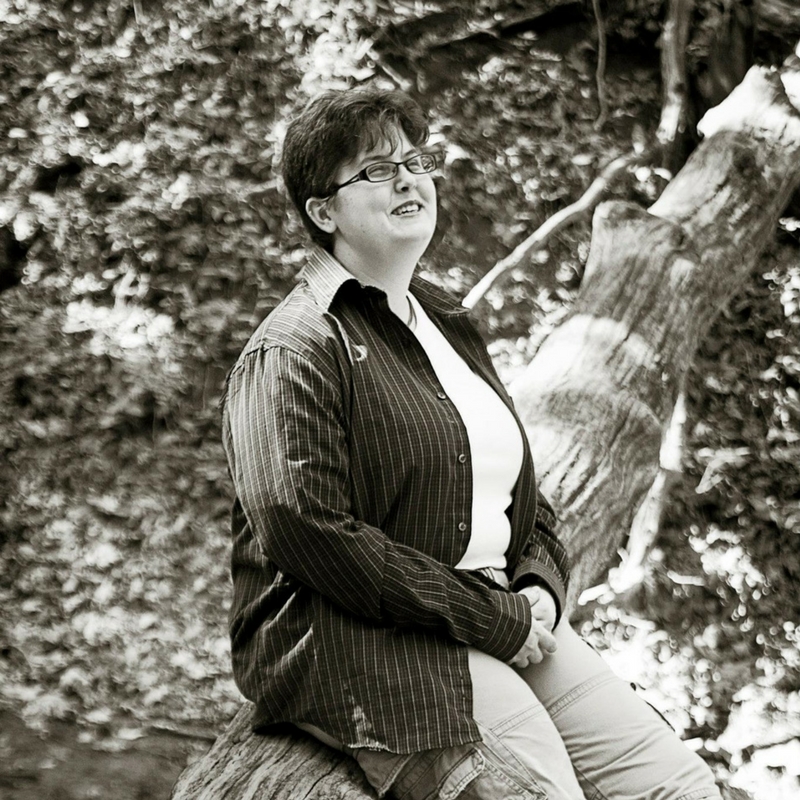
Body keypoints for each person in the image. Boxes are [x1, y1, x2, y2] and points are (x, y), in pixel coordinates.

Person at [221, 88, 721, 800]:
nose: (407, 178)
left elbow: (519, 489)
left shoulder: (447, 320)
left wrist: (540, 586)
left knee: (679, 787)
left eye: (415, 160)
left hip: (491, 608)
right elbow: (311, 534)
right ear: (322, 212)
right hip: (354, 640)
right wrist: (494, 620)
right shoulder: (293, 349)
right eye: (374, 169)